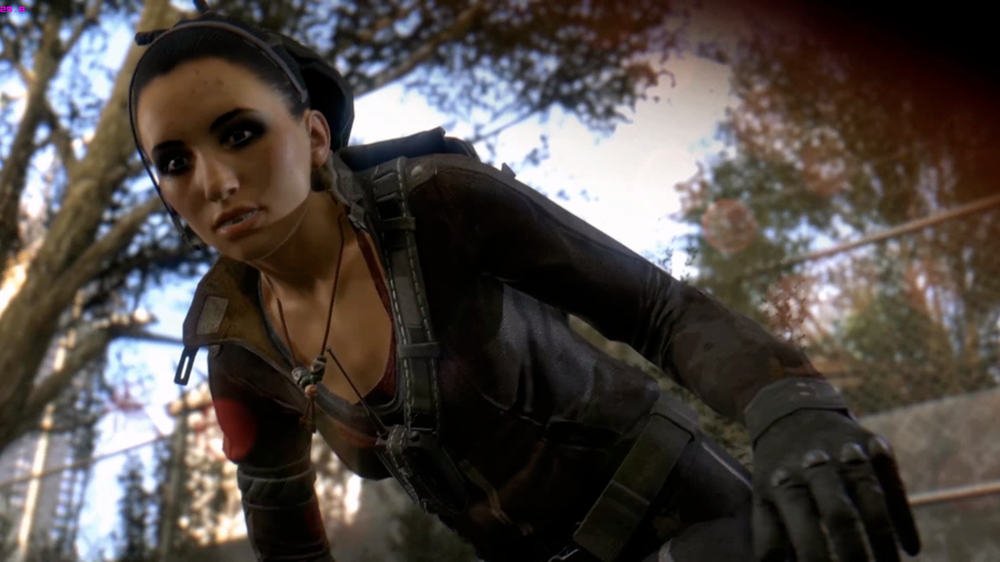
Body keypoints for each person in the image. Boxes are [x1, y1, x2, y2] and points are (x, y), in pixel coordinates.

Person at [127, 4, 922, 562]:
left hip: (698, 526)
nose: (215, 181)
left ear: (312, 134)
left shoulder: (440, 207)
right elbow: (287, 542)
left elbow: (659, 310)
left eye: (240, 133)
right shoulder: (240, 347)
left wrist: (790, 407)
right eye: (175, 160)